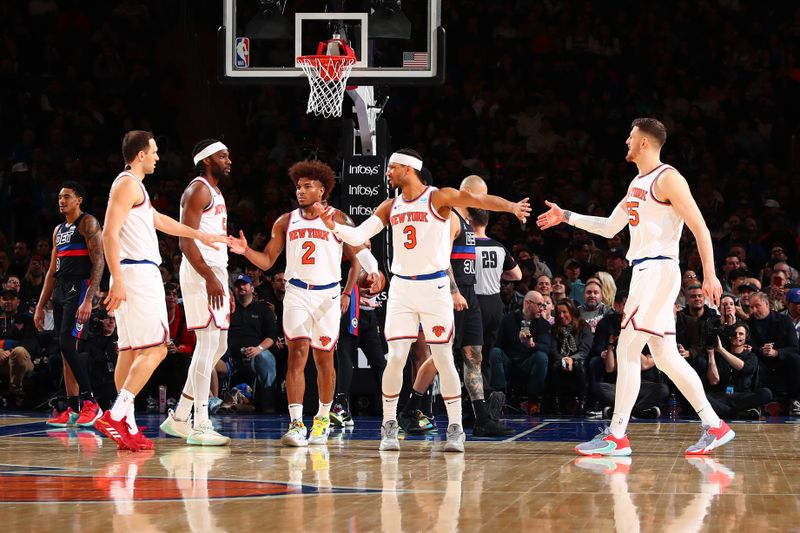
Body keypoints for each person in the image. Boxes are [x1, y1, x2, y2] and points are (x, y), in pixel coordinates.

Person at [538, 117, 734, 455]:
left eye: (631, 136)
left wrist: (710, 274)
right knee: (666, 357)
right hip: (646, 270)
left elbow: (700, 227)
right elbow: (610, 226)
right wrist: (566, 216)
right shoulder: (636, 184)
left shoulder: (668, 178)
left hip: (658, 269)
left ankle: (617, 436)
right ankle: (715, 425)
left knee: (627, 349)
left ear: (644, 142)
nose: (626, 142)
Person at [315, 148, 530, 452]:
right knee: (397, 356)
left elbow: (478, 201)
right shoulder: (390, 205)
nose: (387, 173)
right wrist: (332, 225)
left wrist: (511, 207)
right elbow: (359, 234)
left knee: (443, 357)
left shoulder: (438, 197)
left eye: (392, 168)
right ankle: (388, 424)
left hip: (435, 288)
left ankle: (455, 427)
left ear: (408, 169)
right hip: (403, 289)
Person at [229, 160, 381, 447]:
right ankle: (296, 423)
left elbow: (358, 255)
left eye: (307, 186)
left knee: (323, 358)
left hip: (327, 295)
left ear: (322, 190)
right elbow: (267, 260)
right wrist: (246, 250)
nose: (300, 191)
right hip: (297, 292)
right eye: (298, 186)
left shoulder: (339, 219)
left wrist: (366, 278)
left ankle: (322, 419)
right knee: (297, 353)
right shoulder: (285, 220)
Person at [94, 130, 227, 452]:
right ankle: (116, 413)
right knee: (156, 349)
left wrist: (200, 234)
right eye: (153, 152)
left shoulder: (134, 187)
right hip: (136, 273)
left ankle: (127, 426)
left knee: (129, 352)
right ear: (140, 154)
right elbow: (108, 235)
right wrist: (119, 279)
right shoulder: (126, 183)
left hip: (131, 272)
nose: (157, 157)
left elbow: (160, 221)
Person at [160, 139, 233, 446]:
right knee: (207, 344)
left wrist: (221, 279)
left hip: (215, 269)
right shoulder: (199, 189)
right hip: (201, 270)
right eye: (223, 156)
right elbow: (185, 240)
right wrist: (210, 278)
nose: (229, 160)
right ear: (207, 160)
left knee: (218, 347)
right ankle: (201, 423)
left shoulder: (214, 191)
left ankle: (179, 416)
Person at [35, 181, 105, 428]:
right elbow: (51, 272)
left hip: (80, 288)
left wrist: (88, 299)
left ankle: (91, 402)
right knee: (65, 350)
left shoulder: (88, 222)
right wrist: (40, 306)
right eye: (59, 197)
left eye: (66, 196)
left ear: (79, 200)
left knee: (67, 343)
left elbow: (99, 263)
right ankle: (73, 408)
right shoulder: (57, 230)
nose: (61, 201)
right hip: (61, 289)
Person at [472, 208, 521, 386]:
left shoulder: (467, 246)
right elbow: (517, 275)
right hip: (495, 303)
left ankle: (477, 400)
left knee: (470, 355)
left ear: (469, 220)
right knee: (487, 354)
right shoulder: (499, 247)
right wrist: (496, 274)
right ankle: (487, 396)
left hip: (476, 302)